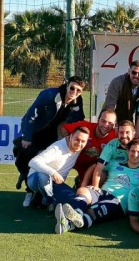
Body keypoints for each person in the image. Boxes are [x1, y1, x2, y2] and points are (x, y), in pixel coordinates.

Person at [14, 76, 86, 207]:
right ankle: (29, 191)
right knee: (28, 158)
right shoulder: (50, 94)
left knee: (47, 163)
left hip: (53, 135)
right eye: (72, 88)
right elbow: (31, 114)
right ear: (67, 85)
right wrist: (27, 137)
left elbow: (79, 118)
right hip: (36, 131)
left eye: (78, 90)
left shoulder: (77, 101)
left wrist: (67, 130)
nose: (74, 92)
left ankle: (42, 196)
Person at [54, 139, 139, 234]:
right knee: (83, 191)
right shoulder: (115, 163)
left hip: (118, 202)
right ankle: (77, 212)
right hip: (102, 192)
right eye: (132, 151)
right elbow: (94, 167)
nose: (135, 154)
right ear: (127, 151)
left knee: (92, 211)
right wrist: (85, 184)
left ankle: (67, 224)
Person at [26, 126, 90, 208]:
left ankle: (43, 198)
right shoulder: (57, 148)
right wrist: (53, 173)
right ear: (70, 136)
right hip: (35, 179)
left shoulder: (80, 148)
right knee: (43, 177)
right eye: (77, 139)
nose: (79, 143)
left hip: (56, 183)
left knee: (74, 198)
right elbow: (33, 162)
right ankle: (48, 201)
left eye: (83, 141)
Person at [60, 109, 117, 187]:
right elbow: (64, 128)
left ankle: (81, 186)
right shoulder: (85, 127)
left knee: (102, 176)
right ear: (98, 120)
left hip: (93, 166)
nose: (106, 125)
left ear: (114, 124)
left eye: (110, 123)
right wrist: (70, 146)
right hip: (74, 160)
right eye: (103, 121)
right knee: (57, 173)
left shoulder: (115, 136)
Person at [91, 120, 139, 190]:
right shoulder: (112, 145)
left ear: (134, 134)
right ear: (117, 133)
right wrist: (95, 187)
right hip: (113, 174)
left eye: (127, 132)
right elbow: (99, 167)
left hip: (134, 177)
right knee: (100, 174)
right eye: (121, 132)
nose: (124, 136)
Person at [103, 60, 139, 141]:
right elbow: (109, 107)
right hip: (114, 119)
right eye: (134, 72)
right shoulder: (117, 82)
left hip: (132, 122)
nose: (136, 76)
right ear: (129, 71)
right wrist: (116, 125)